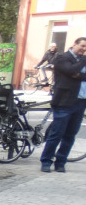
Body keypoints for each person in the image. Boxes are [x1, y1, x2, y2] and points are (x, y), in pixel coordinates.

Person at [41, 36, 86, 172]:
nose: (84, 49)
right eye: (82, 46)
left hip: (80, 102)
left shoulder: (81, 60)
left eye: (85, 47)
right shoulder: (62, 58)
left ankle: (61, 162)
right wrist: (80, 66)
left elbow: (75, 73)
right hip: (64, 102)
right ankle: (46, 161)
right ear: (74, 44)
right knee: (57, 133)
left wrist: (79, 75)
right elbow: (71, 70)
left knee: (70, 135)